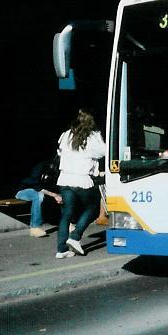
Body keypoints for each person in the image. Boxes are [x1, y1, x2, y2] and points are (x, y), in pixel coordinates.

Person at [55, 109, 106, 259]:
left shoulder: (66, 134)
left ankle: (61, 250)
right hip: (82, 179)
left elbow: (59, 152)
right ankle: (75, 236)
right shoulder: (93, 137)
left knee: (67, 214)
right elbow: (104, 152)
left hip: (64, 178)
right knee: (93, 208)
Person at [15, 161, 62, 238]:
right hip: (22, 191)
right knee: (38, 195)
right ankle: (35, 228)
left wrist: (58, 196)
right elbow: (37, 187)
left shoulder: (57, 170)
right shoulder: (40, 166)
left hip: (38, 190)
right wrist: (54, 195)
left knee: (64, 195)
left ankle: (69, 224)